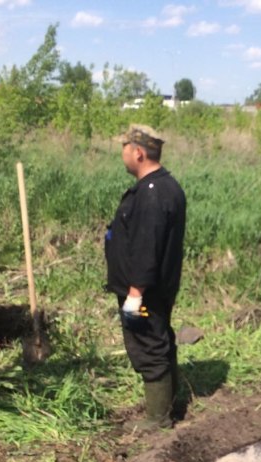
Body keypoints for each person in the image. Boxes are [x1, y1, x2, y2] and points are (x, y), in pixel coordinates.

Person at [105, 123, 186, 431]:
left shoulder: (152, 194)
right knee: (159, 338)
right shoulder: (165, 186)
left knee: (148, 345)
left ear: (138, 153)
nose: (122, 154)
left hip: (144, 291)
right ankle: (170, 403)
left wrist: (135, 293)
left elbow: (146, 248)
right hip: (155, 287)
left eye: (124, 148)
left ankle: (157, 417)